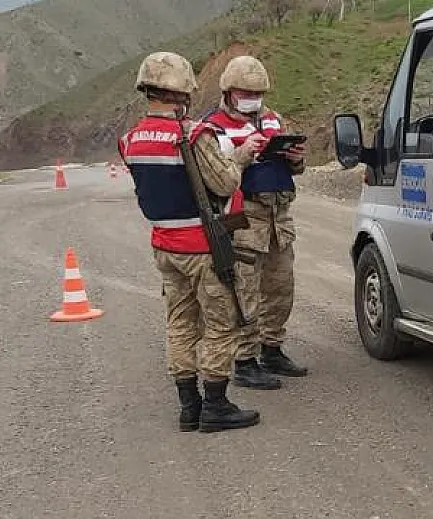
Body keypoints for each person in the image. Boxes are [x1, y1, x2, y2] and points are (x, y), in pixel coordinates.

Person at [117, 51, 263, 433]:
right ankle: (215, 405)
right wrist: (242, 158)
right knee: (220, 323)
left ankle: (188, 406)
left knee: (180, 323)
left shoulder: (131, 140)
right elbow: (225, 183)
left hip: (164, 245)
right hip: (202, 245)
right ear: (182, 92)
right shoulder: (193, 135)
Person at [202, 55, 309, 390]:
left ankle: (272, 349)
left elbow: (293, 168)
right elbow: (214, 176)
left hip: (279, 217)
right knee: (244, 292)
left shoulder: (273, 119)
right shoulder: (213, 127)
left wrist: (295, 161)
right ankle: (245, 360)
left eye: (258, 92)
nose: (253, 98)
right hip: (244, 218)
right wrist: (243, 153)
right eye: (245, 92)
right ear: (229, 91)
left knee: (280, 289)